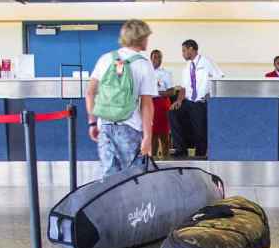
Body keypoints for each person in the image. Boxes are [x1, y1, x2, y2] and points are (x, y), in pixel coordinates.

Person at [86, 19, 157, 178]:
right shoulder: (144, 64)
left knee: (109, 180)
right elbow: (146, 105)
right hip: (130, 127)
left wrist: (92, 123)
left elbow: (90, 92)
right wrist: (147, 137)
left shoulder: (106, 59)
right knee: (134, 178)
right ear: (141, 38)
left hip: (104, 126)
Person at [170, 39, 224, 159]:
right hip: (188, 101)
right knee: (173, 112)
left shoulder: (207, 62)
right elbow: (183, 88)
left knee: (199, 129)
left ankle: (200, 155)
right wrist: (178, 101)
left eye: (184, 50)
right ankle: (180, 149)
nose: (182, 54)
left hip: (201, 102)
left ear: (191, 49)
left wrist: (211, 94)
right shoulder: (187, 66)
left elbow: (219, 78)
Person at [151, 49, 176, 157]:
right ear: (150, 59)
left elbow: (172, 91)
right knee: (152, 134)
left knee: (164, 134)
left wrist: (156, 92)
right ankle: (152, 159)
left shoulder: (166, 73)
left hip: (162, 104)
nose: (158, 59)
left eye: (159, 57)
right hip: (150, 105)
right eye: (155, 57)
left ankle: (166, 159)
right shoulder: (146, 73)